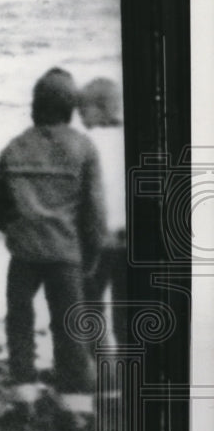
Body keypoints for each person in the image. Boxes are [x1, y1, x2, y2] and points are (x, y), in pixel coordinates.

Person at [0, 68, 106, 415]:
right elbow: (94, 212)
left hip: (23, 253)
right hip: (66, 254)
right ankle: (75, 405)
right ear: (70, 107)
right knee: (70, 328)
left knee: (19, 323)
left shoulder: (16, 145)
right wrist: (91, 255)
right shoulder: (83, 147)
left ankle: (23, 397)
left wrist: (12, 227)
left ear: (35, 105)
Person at [77, 77, 127, 346]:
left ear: (99, 109)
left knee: (90, 305)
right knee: (128, 308)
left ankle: (97, 367)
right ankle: (134, 370)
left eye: (83, 110)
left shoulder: (86, 144)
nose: (81, 117)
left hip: (96, 240)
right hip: (132, 239)